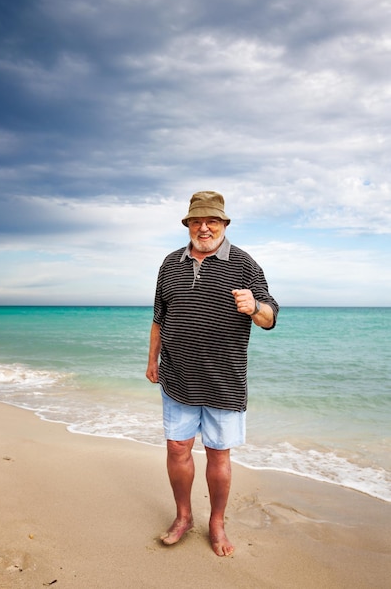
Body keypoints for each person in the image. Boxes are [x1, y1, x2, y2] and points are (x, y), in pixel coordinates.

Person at [146, 190, 279, 557]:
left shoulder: (244, 264)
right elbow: (160, 316)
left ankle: (216, 523)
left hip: (225, 378)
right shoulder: (170, 263)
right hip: (177, 375)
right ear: (188, 224)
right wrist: (152, 359)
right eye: (196, 221)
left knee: (219, 454)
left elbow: (270, 318)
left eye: (212, 221)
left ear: (223, 224)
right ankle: (183, 516)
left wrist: (255, 306)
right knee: (177, 448)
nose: (204, 228)